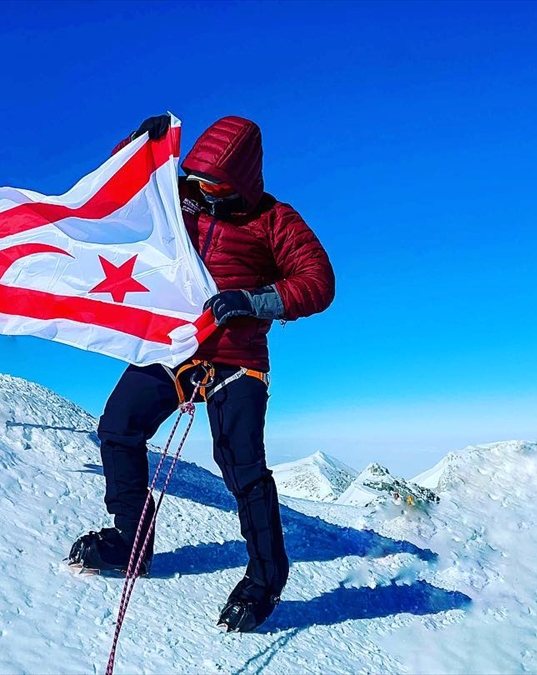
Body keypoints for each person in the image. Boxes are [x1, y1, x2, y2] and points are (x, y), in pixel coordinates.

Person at [67, 114, 336, 633]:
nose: (202, 190)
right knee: (119, 427)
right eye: (197, 178)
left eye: (215, 183)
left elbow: (318, 283)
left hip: (237, 357)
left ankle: (265, 579)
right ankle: (131, 543)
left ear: (242, 182)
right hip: (177, 348)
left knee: (240, 466)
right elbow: (128, 186)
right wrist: (137, 142)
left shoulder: (273, 220)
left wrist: (252, 301)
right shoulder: (181, 197)